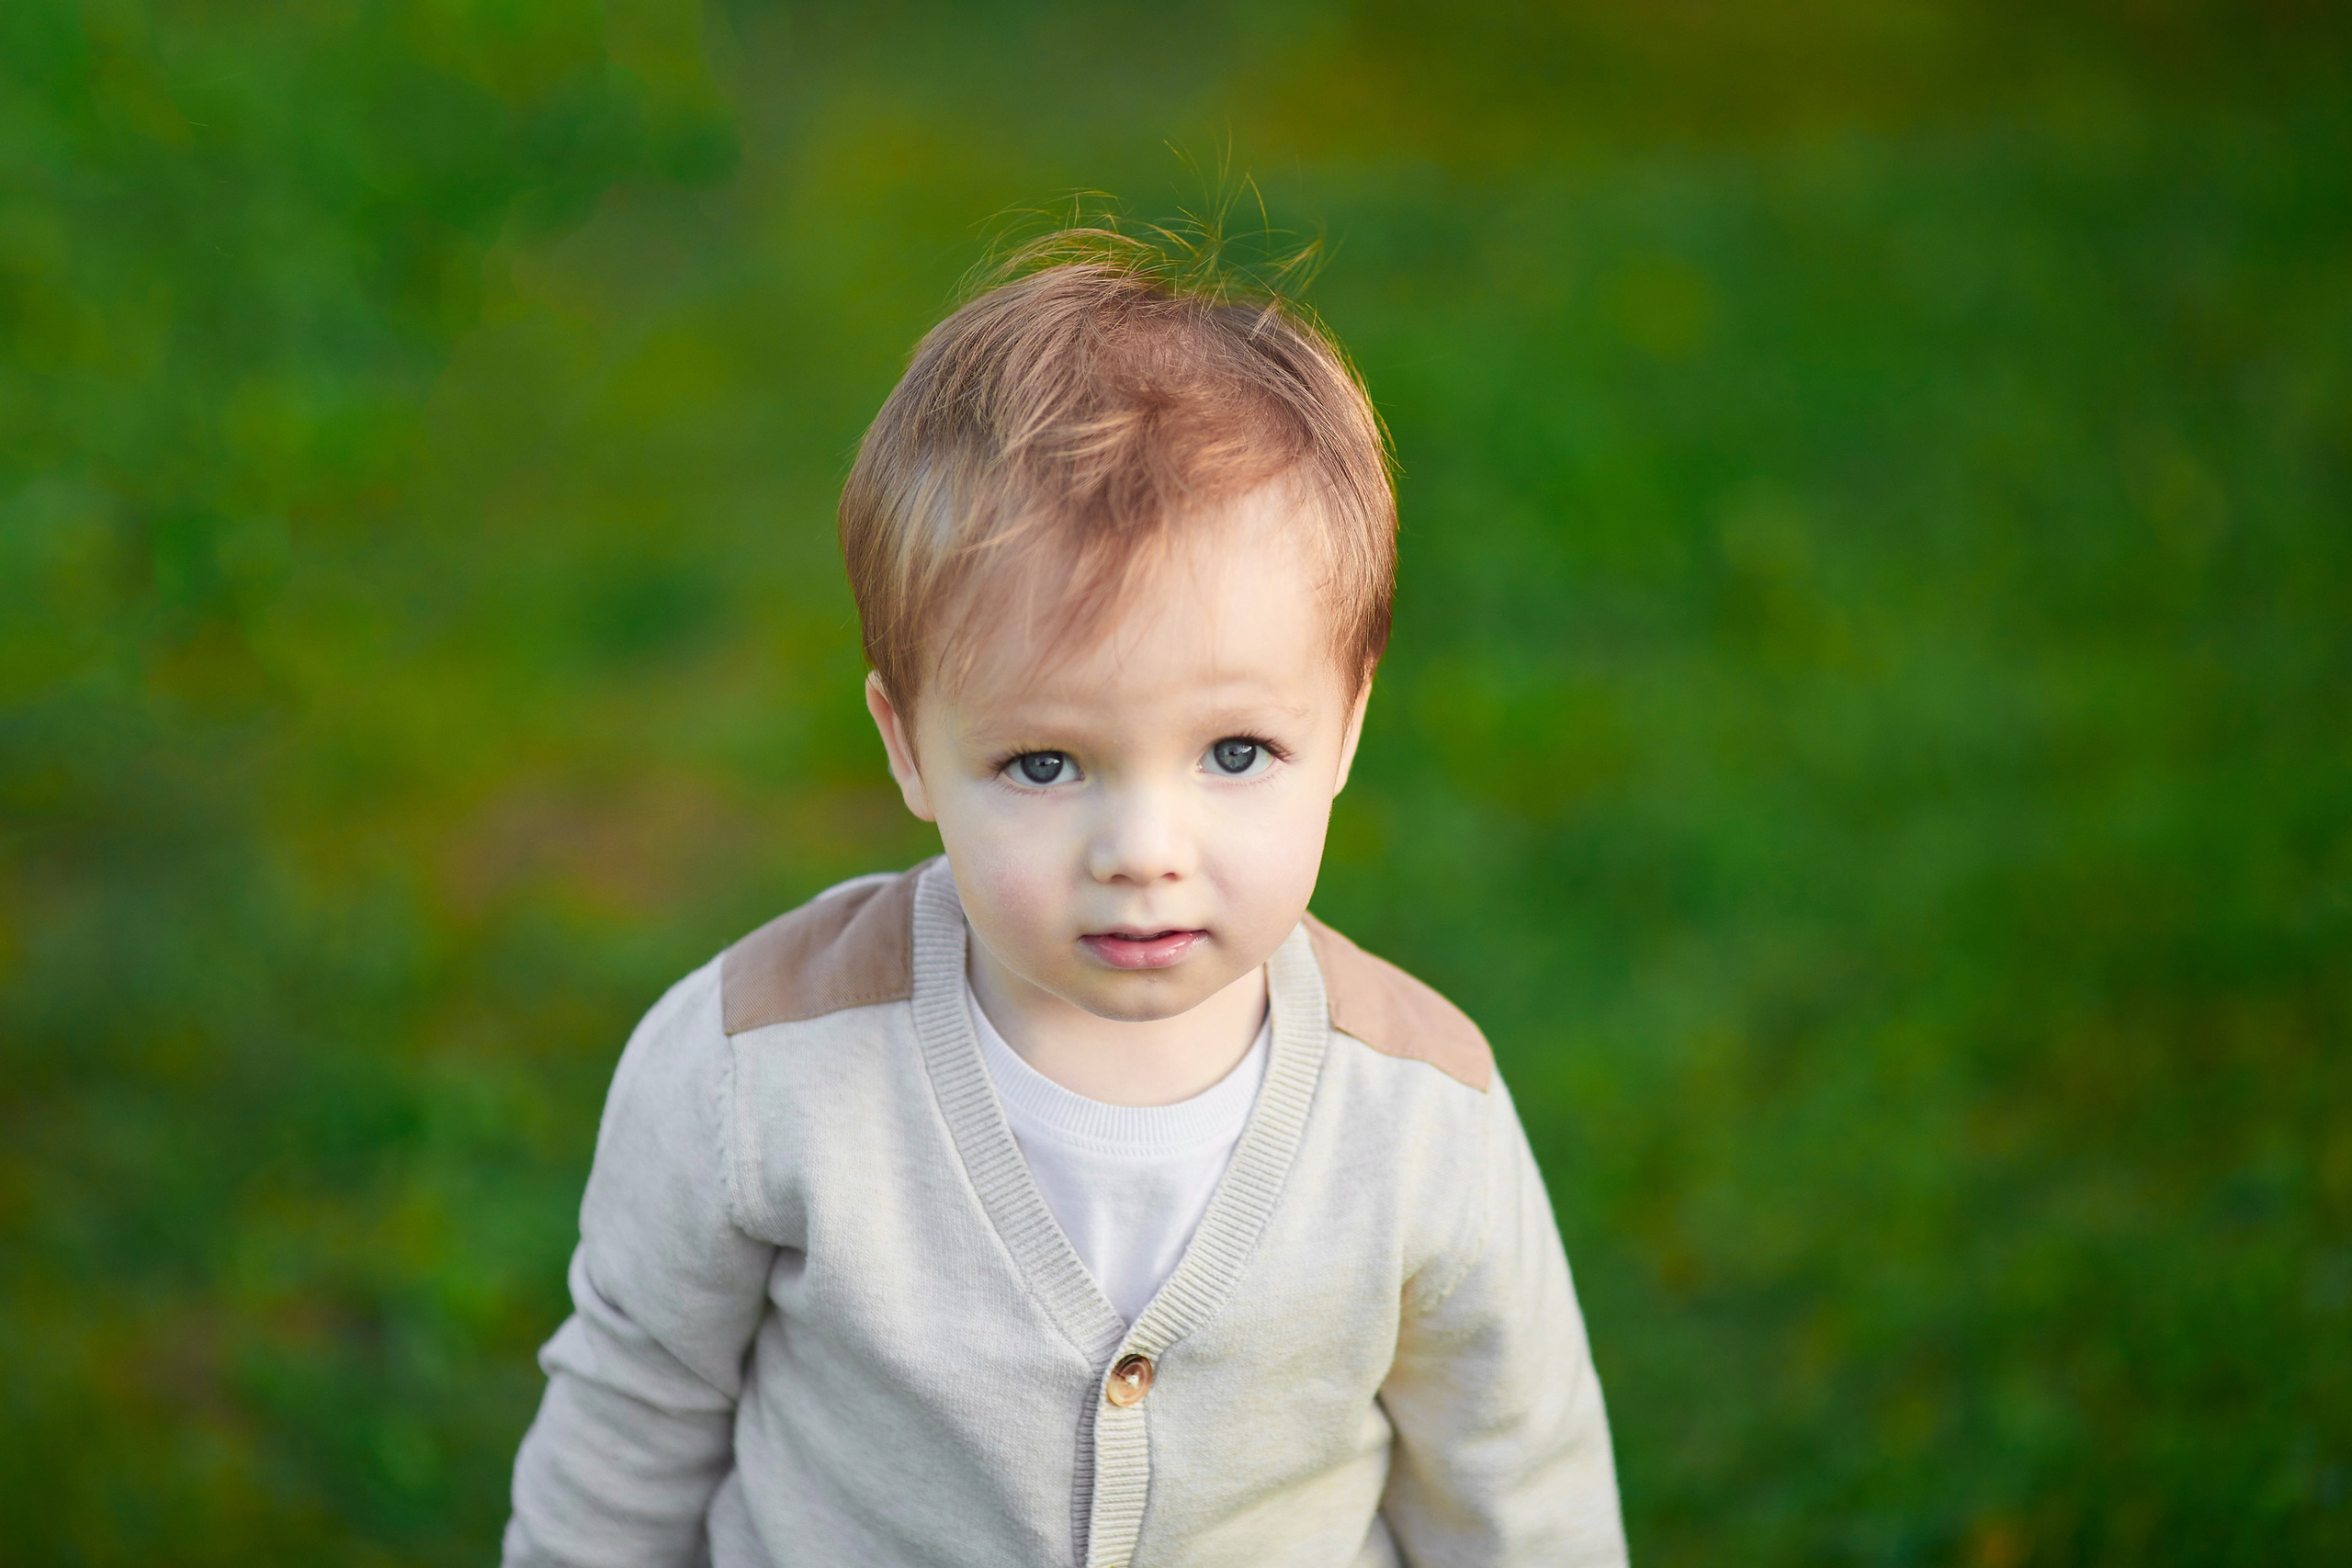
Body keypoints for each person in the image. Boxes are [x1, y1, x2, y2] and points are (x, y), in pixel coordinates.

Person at [503, 244, 1627, 1567]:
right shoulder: (756, 1072)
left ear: (1347, 725)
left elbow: (1518, 1481)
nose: (1144, 850)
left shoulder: (1423, 1116)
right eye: (1045, 765)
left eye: (1235, 753)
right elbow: (630, 1424)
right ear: (909, 744)